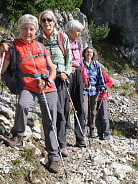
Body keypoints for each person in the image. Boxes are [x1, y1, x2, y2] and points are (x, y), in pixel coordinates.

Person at [0, 14, 60, 173]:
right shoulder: (13, 46)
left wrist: (47, 81)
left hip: (47, 87)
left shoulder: (41, 46)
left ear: (35, 30)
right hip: (28, 85)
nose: (28, 32)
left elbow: (52, 69)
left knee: (50, 120)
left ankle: (54, 157)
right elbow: (0, 70)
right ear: (20, 29)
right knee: (23, 105)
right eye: (25, 29)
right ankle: (17, 135)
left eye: (31, 29)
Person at [37, 10, 72, 157]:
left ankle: (61, 144)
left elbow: (68, 58)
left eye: (49, 20)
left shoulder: (61, 37)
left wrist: (66, 72)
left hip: (60, 79)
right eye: (44, 20)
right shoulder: (39, 40)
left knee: (60, 112)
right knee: (50, 112)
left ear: (54, 22)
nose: (47, 23)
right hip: (46, 80)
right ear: (40, 23)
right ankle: (52, 143)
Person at [66, 19, 88, 147]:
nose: (79, 34)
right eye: (77, 31)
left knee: (79, 105)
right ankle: (61, 138)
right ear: (70, 31)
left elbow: (81, 63)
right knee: (64, 106)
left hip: (78, 74)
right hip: (67, 73)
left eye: (80, 31)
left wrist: (84, 78)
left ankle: (80, 138)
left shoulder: (79, 45)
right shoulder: (63, 43)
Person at [82, 47, 106, 138]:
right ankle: (83, 128)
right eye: (87, 52)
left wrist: (103, 87)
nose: (89, 54)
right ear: (84, 53)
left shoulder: (96, 64)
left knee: (93, 111)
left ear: (93, 54)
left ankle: (91, 128)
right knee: (84, 110)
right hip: (84, 90)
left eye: (91, 52)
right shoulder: (81, 64)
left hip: (94, 90)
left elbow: (100, 76)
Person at [96, 70, 113, 140]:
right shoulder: (90, 73)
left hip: (102, 97)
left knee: (104, 116)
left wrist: (104, 86)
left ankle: (106, 133)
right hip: (93, 97)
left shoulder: (102, 73)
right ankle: (99, 133)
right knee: (96, 116)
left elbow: (110, 82)